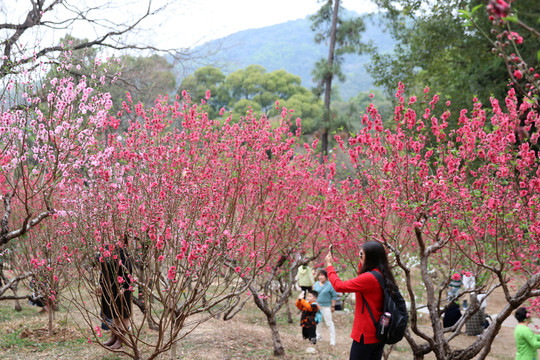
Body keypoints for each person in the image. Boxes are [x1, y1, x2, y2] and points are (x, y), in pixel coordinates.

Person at [325, 241, 399, 360]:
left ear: (370, 258)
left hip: (365, 335)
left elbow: (339, 286)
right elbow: (361, 274)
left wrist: (329, 266)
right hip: (378, 332)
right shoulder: (382, 274)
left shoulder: (369, 278)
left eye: (361, 255)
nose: (359, 256)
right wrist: (362, 258)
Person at [98, 237, 133, 350]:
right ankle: (114, 336)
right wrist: (100, 283)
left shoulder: (123, 250)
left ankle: (121, 339)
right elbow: (103, 267)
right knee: (114, 311)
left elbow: (128, 269)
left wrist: (125, 286)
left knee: (124, 313)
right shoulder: (107, 249)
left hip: (122, 287)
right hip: (110, 286)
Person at [313, 269, 337, 346]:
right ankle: (318, 336)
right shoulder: (316, 284)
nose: (320, 277)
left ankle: (332, 339)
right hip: (317, 306)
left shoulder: (330, 285)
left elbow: (334, 296)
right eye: (319, 275)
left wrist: (333, 306)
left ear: (326, 276)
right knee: (318, 322)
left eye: (322, 275)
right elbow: (314, 295)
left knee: (329, 323)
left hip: (327, 306)